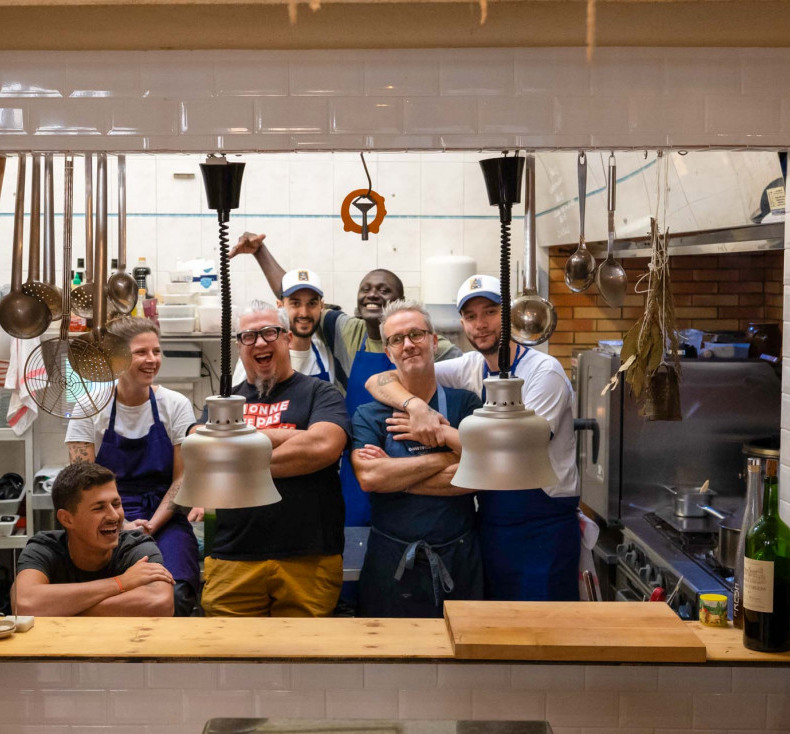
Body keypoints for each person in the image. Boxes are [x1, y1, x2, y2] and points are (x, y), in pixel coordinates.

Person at [364, 274, 581, 601]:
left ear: (508, 315)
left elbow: (513, 454)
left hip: (543, 526)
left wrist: (436, 433)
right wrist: (415, 406)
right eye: (470, 316)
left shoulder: (543, 371)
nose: (480, 324)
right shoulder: (470, 367)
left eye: (490, 312)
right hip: (491, 522)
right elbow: (379, 380)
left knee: (543, 631)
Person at [228, 232, 461, 527]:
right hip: (361, 453)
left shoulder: (431, 347)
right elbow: (298, 304)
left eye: (383, 289)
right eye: (366, 288)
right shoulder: (345, 330)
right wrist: (260, 251)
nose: (373, 294)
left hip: (413, 445)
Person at [200, 300, 351, 617]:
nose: (259, 342)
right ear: (240, 346)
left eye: (269, 332)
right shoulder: (223, 403)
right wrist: (296, 436)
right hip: (233, 555)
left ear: (287, 338)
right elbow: (208, 459)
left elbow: (324, 445)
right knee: (224, 659)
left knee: (305, 661)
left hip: (310, 557)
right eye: (248, 336)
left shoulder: (320, 393)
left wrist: (240, 448)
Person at [350, 299, 484, 617]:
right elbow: (371, 478)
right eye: (397, 339)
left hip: (459, 556)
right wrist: (447, 458)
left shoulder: (466, 403)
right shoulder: (369, 414)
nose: (408, 345)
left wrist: (397, 477)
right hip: (390, 561)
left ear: (434, 341)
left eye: (416, 334)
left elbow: (478, 474)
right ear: (388, 353)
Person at [64, 317, 200, 616]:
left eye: (157, 351)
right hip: (102, 518)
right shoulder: (89, 404)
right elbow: (81, 483)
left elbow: (184, 477)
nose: (152, 360)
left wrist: (152, 525)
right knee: (107, 596)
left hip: (163, 516)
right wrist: (120, 524)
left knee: (175, 594)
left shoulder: (175, 405)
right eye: (141, 352)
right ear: (118, 357)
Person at [12, 462, 175, 617]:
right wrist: (120, 583)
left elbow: (160, 603)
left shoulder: (136, 546)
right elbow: (24, 603)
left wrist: (60, 610)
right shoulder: (44, 547)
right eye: (99, 508)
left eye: (116, 504)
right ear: (67, 519)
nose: (114, 516)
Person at [233, 268, 334, 387]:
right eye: (295, 303)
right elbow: (237, 401)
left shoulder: (326, 354)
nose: (304, 313)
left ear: (321, 306)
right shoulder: (259, 356)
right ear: (280, 307)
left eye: (312, 303)